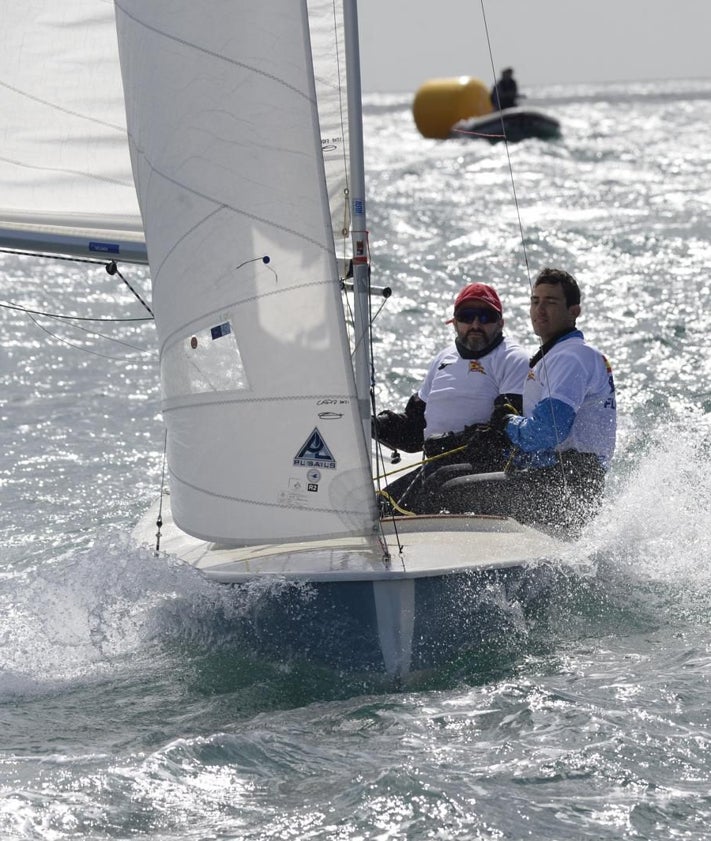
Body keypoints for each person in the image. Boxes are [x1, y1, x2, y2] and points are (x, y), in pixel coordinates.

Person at [443, 267, 617, 535]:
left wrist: (506, 423)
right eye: (535, 301)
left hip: (567, 487)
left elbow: (549, 432)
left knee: (452, 492)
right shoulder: (559, 355)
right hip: (557, 478)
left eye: (551, 302)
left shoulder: (570, 358)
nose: (540, 310)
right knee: (446, 474)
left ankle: (464, 571)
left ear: (574, 311)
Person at [373, 282, 530, 513]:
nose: (475, 324)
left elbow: (504, 431)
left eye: (485, 317)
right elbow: (415, 432)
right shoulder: (442, 359)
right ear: (455, 322)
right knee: (377, 507)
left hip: (482, 468)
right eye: (467, 316)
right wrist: (377, 425)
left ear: (500, 323)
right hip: (437, 467)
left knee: (436, 487)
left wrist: (451, 442)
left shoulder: (512, 358)